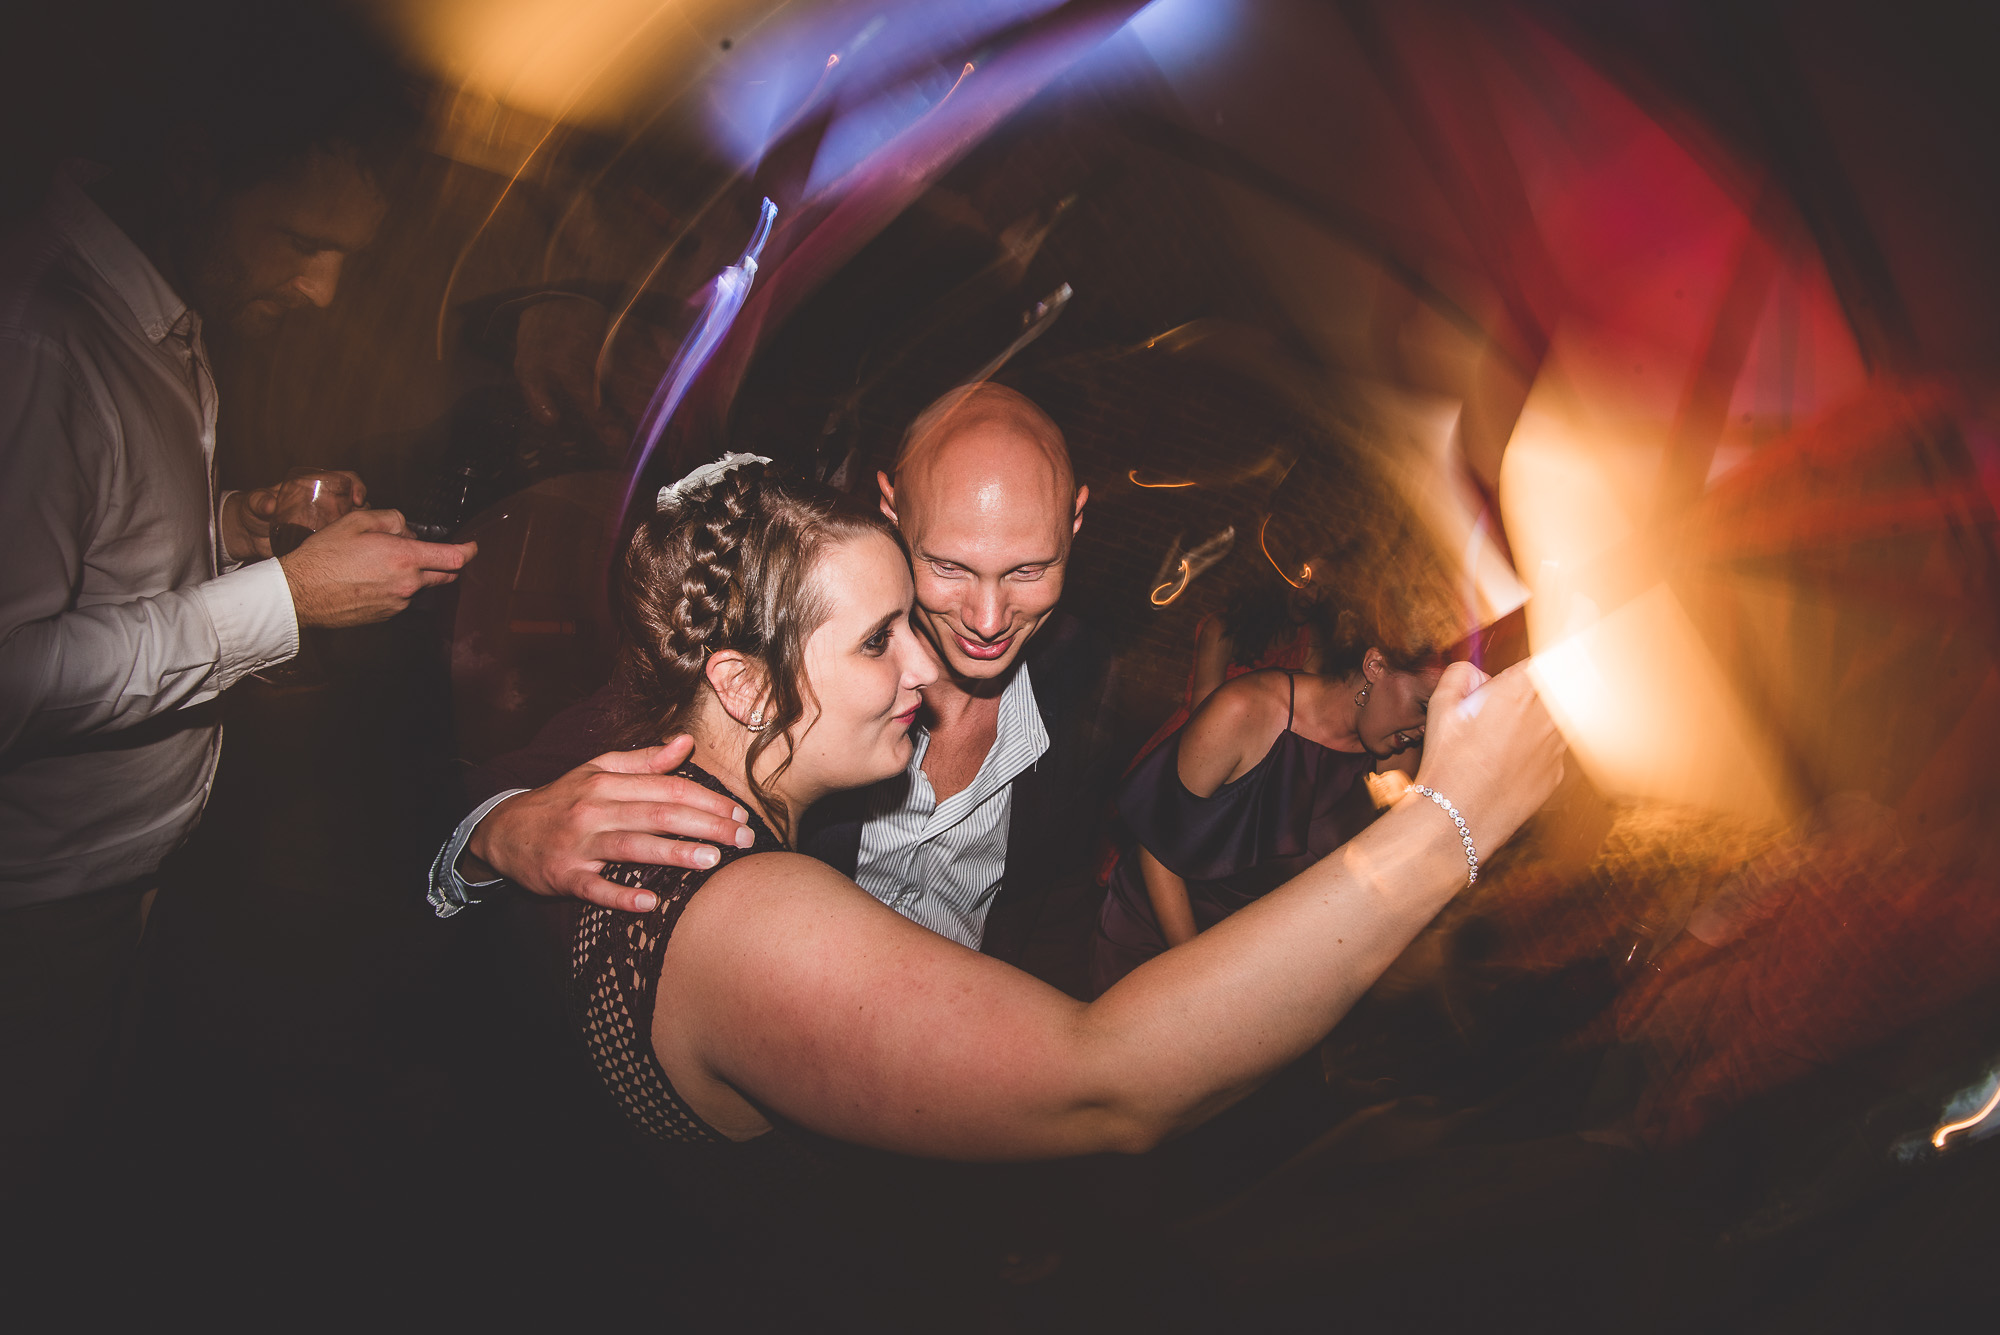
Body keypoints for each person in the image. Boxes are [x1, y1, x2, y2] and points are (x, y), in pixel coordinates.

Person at [568, 453, 1561, 1174]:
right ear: (743, 686)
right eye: (879, 642)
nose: (927, 666)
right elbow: (1108, 1085)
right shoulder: (747, 916)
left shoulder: (642, 823)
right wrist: (1447, 823)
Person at [0, 6, 478, 1182]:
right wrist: (284, 601)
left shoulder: (162, 314)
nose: (320, 290)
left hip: (119, 886)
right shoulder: (43, 341)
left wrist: (233, 527)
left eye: (347, 259)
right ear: (196, 169)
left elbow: (95, 559)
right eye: (301, 240)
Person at [430, 382, 1113, 978]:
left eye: (1028, 570)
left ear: (1076, 523)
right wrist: (494, 835)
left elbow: (1053, 912)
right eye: (951, 567)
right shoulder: (786, 646)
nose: (988, 619)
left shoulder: (1080, 679)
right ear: (892, 507)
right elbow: (552, 768)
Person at [1091, 612, 1446, 993]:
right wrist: (1199, 976)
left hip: (1262, 961)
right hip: (1164, 941)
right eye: (1424, 707)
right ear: (1375, 666)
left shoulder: (1395, 754)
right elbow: (1157, 852)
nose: (1425, 729)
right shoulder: (1245, 710)